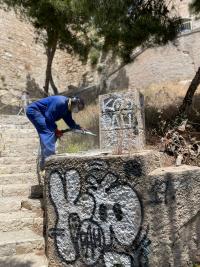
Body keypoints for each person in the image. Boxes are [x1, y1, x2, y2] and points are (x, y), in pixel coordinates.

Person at [26, 95, 85, 170]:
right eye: (78, 108)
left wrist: (78, 128)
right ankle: (50, 162)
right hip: (34, 111)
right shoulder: (60, 102)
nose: (77, 110)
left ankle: (44, 164)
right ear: (74, 102)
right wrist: (55, 130)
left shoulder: (67, 109)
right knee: (48, 132)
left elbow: (69, 121)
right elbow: (49, 116)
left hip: (42, 114)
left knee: (49, 132)